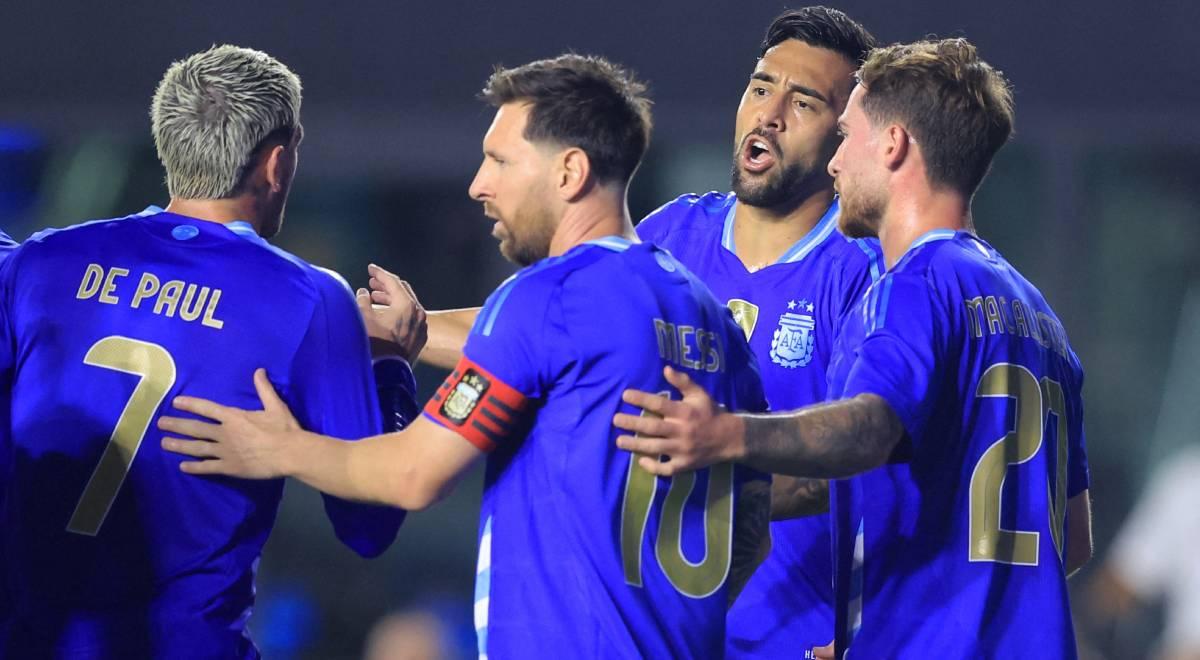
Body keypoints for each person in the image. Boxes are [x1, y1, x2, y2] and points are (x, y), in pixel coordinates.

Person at [157, 54, 772, 658]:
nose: (479, 184)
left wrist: (280, 448)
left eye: (500, 160)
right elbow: (749, 533)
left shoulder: (545, 296)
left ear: (569, 173)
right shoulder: (711, 318)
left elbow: (413, 475)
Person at [613, 38, 1093, 658]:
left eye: (847, 136)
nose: (835, 163)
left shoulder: (912, 284)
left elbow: (867, 430)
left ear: (892, 146)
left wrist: (730, 436)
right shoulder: (1038, 316)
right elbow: (1072, 539)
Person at [0, 45, 416, 658]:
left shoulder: (39, 263)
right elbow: (369, 525)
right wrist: (389, 366)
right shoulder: (309, 301)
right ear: (277, 161)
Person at [635, 8, 880, 657]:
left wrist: (710, 486)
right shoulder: (668, 237)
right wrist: (408, 331)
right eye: (761, 87)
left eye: (804, 102)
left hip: (797, 642)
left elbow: (874, 460)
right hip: (662, 635)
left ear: (844, 137)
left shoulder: (864, 273)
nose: (769, 113)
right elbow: (535, 328)